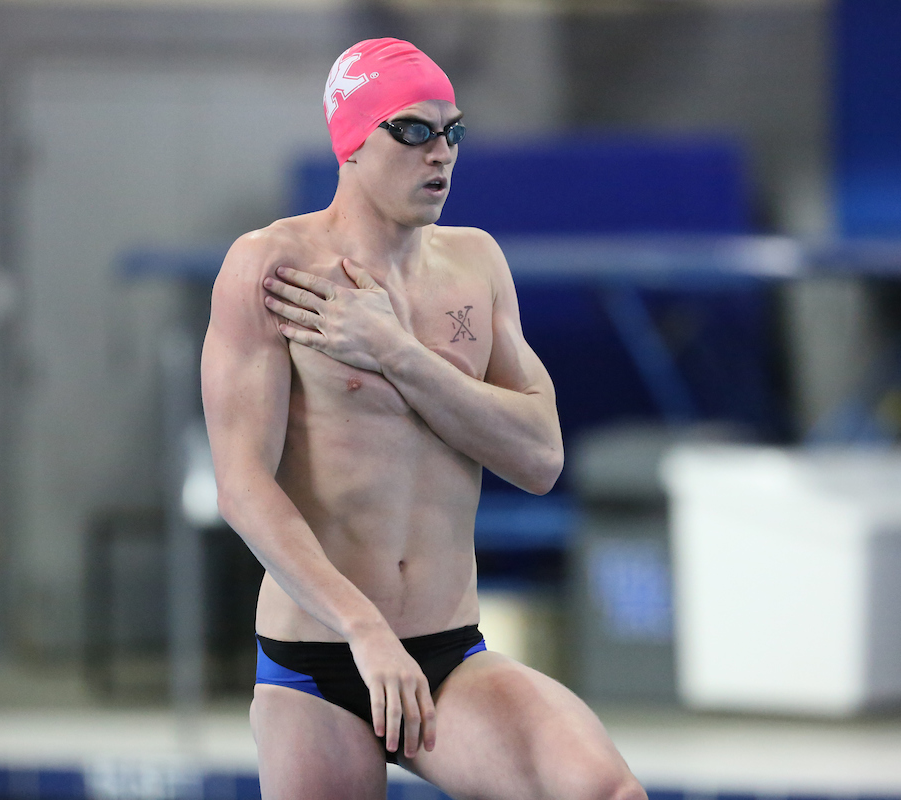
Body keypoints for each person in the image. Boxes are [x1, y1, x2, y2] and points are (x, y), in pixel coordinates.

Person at [201, 38, 647, 800]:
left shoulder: (476, 264)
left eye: (452, 131)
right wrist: (363, 627)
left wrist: (397, 353)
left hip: (448, 655)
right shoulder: (273, 268)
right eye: (412, 130)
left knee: (607, 793)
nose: (440, 152)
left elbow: (541, 457)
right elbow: (242, 488)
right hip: (322, 658)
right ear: (351, 140)